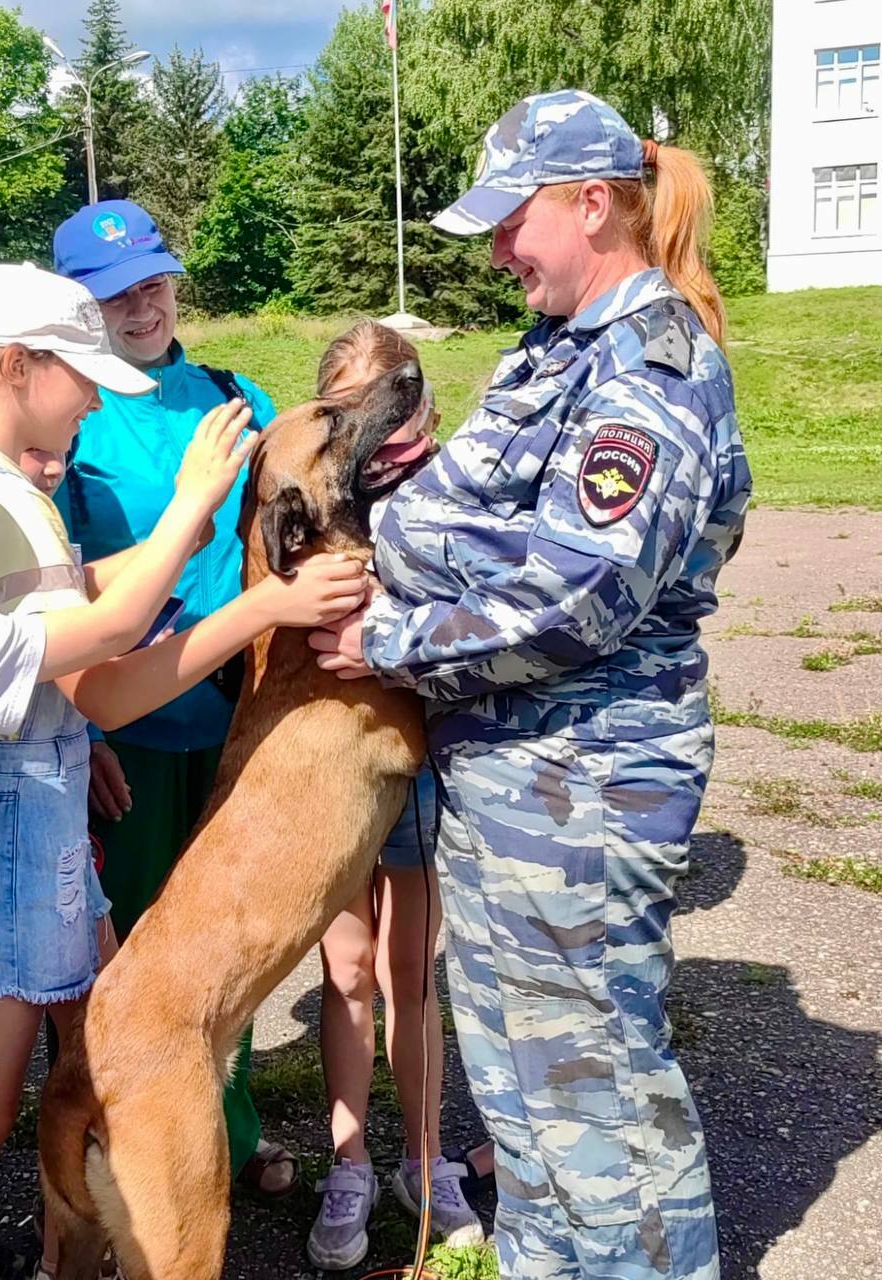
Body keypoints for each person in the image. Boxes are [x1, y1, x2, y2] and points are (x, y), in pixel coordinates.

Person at [310, 90, 751, 1280]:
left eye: (515, 219)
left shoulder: (649, 370)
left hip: (586, 786)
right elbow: (460, 511)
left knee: (598, 1102)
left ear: (591, 203)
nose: (500, 248)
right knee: (521, 1088)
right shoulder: (558, 349)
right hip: (511, 783)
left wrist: (389, 643)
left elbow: (576, 592)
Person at [0, 266, 367, 1280]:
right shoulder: (9, 503)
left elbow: (59, 591)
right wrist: (251, 594)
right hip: (3, 844)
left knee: (27, 1084)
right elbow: (102, 677)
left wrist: (182, 541)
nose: (89, 396)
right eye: (75, 375)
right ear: (13, 366)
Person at [52, 200, 293, 1196]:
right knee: (131, 950)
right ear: (83, 306)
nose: (140, 302)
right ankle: (111, 1143)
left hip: (236, 716)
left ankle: (226, 1135)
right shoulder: (73, 419)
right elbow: (51, 597)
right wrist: (76, 728)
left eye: (152, 279)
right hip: (129, 728)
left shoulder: (237, 398)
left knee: (226, 943)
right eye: (114, 291)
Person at [305, 322, 483, 1273]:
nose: (383, 440)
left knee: (410, 972)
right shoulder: (315, 505)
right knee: (344, 970)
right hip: (335, 776)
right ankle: (348, 1164)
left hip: (416, 775)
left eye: (396, 411)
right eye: (353, 414)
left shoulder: (454, 495)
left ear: (424, 411)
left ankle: (423, 1156)